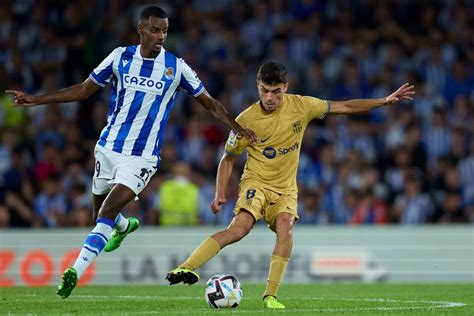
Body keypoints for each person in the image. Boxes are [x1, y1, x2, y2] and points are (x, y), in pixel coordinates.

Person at [5, 6, 256, 299]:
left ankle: (74, 271)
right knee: (99, 215)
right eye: (154, 29)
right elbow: (85, 90)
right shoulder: (119, 57)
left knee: (108, 210)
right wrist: (36, 100)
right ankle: (124, 228)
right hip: (108, 148)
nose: (160, 36)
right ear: (140, 30)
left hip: (142, 156)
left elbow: (210, 103)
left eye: (164, 30)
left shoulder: (176, 67)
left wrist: (237, 127)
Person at [166, 61, 415, 309]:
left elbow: (345, 105)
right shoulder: (246, 119)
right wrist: (220, 192)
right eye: (264, 90)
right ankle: (185, 267)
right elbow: (228, 158)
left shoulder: (302, 106)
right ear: (257, 86)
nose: (270, 97)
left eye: (276, 91)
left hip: (286, 188)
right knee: (239, 229)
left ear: (286, 87)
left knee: (286, 229)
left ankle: (270, 296)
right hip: (257, 183)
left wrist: (384, 100)